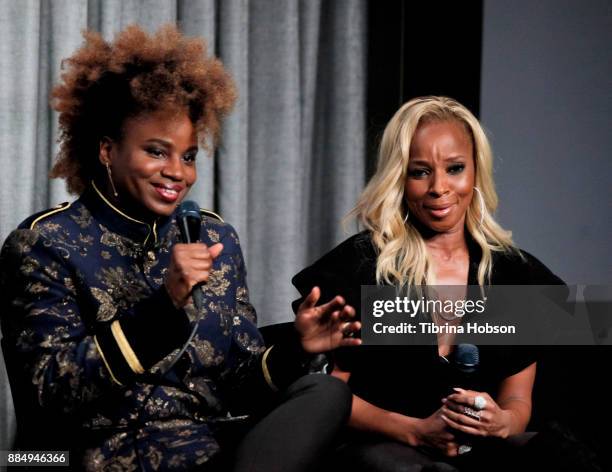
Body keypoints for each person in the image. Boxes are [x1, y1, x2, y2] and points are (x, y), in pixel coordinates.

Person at [0, 25, 361, 471]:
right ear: (108, 150)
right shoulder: (44, 243)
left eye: (188, 156)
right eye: (156, 151)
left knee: (326, 392)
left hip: (212, 446)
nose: (178, 172)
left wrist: (297, 349)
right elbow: (50, 393)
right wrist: (163, 309)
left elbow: (240, 380)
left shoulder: (215, 239)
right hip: (97, 453)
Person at [292, 96, 574, 471]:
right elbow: (329, 394)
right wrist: (412, 431)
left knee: (564, 456)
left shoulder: (515, 273)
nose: (439, 187)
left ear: (476, 172)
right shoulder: (361, 264)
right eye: (419, 172)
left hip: (480, 453)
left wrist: (503, 422)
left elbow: (518, 398)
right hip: (382, 449)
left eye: (455, 168)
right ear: (399, 177)